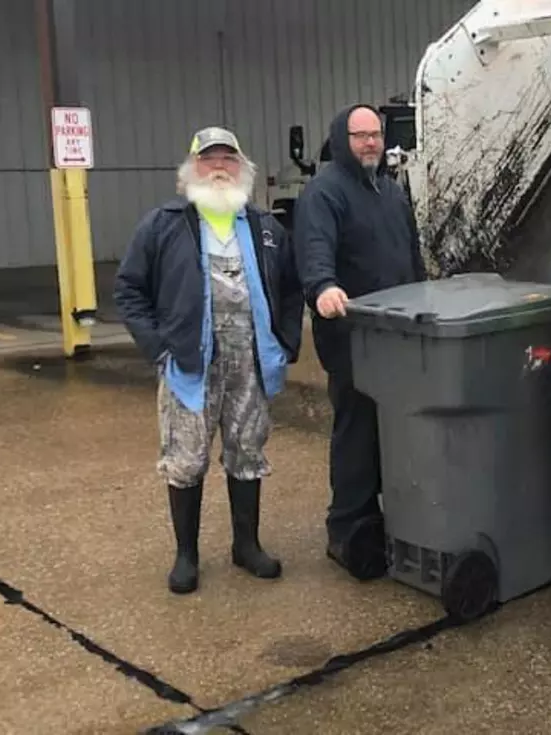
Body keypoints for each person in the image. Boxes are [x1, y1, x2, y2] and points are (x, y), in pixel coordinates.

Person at [114, 127, 304, 595]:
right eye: (209, 159)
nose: (219, 167)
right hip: (189, 364)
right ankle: (186, 555)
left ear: (244, 170)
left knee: (247, 452)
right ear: (190, 170)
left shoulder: (266, 229)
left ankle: (246, 546)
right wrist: (159, 349)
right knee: (186, 459)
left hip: (251, 362)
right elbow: (129, 290)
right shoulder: (163, 225)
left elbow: (292, 289)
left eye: (228, 159)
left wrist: (285, 343)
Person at [294, 104, 426, 581]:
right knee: (357, 430)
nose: (370, 143)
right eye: (360, 136)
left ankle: (387, 520)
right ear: (341, 138)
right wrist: (324, 287)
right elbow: (313, 249)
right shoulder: (325, 192)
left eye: (376, 135)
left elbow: (410, 255)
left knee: (392, 430)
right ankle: (347, 529)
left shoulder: (389, 191)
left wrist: (426, 296)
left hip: (396, 337)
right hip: (352, 338)